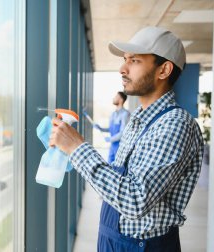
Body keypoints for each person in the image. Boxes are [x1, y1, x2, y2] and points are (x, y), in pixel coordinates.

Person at [49, 26, 204, 251]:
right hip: (114, 239)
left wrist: (77, 148)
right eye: (124, 59)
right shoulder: (138, 118)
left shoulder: (175, 124)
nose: (122, 68)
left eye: (134, 61)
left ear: (164, 70)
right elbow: (120, 184)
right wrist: (67, 150)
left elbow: (134, 200)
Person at [94, 91, 130, 163]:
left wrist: (111, 139)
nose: (113, 98)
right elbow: (111, 129)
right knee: (110, 166)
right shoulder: (113, 114)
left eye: (116, 97)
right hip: (113, 147)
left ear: (121, 100)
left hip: (120, 147)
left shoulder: (125, 114)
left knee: (118, 167)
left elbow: (123, 132)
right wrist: (101, 128)